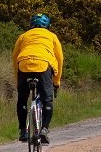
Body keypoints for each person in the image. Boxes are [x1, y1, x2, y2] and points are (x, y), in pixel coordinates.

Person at [13, 14, 64, 144]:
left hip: (24, 65)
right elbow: (59, 59)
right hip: (43, 65)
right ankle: (44, 130)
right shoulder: (52, 36)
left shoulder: (23, 36)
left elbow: (15, 58)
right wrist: (56, 81)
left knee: (22, 100)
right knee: (47, 100)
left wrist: (18, 79)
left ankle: (23, 130)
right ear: (47, 26)